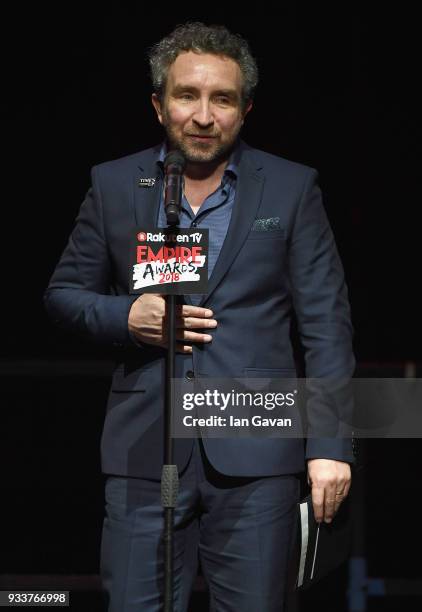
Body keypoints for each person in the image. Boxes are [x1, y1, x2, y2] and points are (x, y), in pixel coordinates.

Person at [45, 21, 355, 612]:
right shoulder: (115, 184)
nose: (204, 115)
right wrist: (125, 315)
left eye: (223, 99)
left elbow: (327, 327)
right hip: (144, 449)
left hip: (257, 451)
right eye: (187, 95)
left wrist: (331, 444)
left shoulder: (291, 189)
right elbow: (63, 295)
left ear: (246, 109)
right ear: (159, 105)